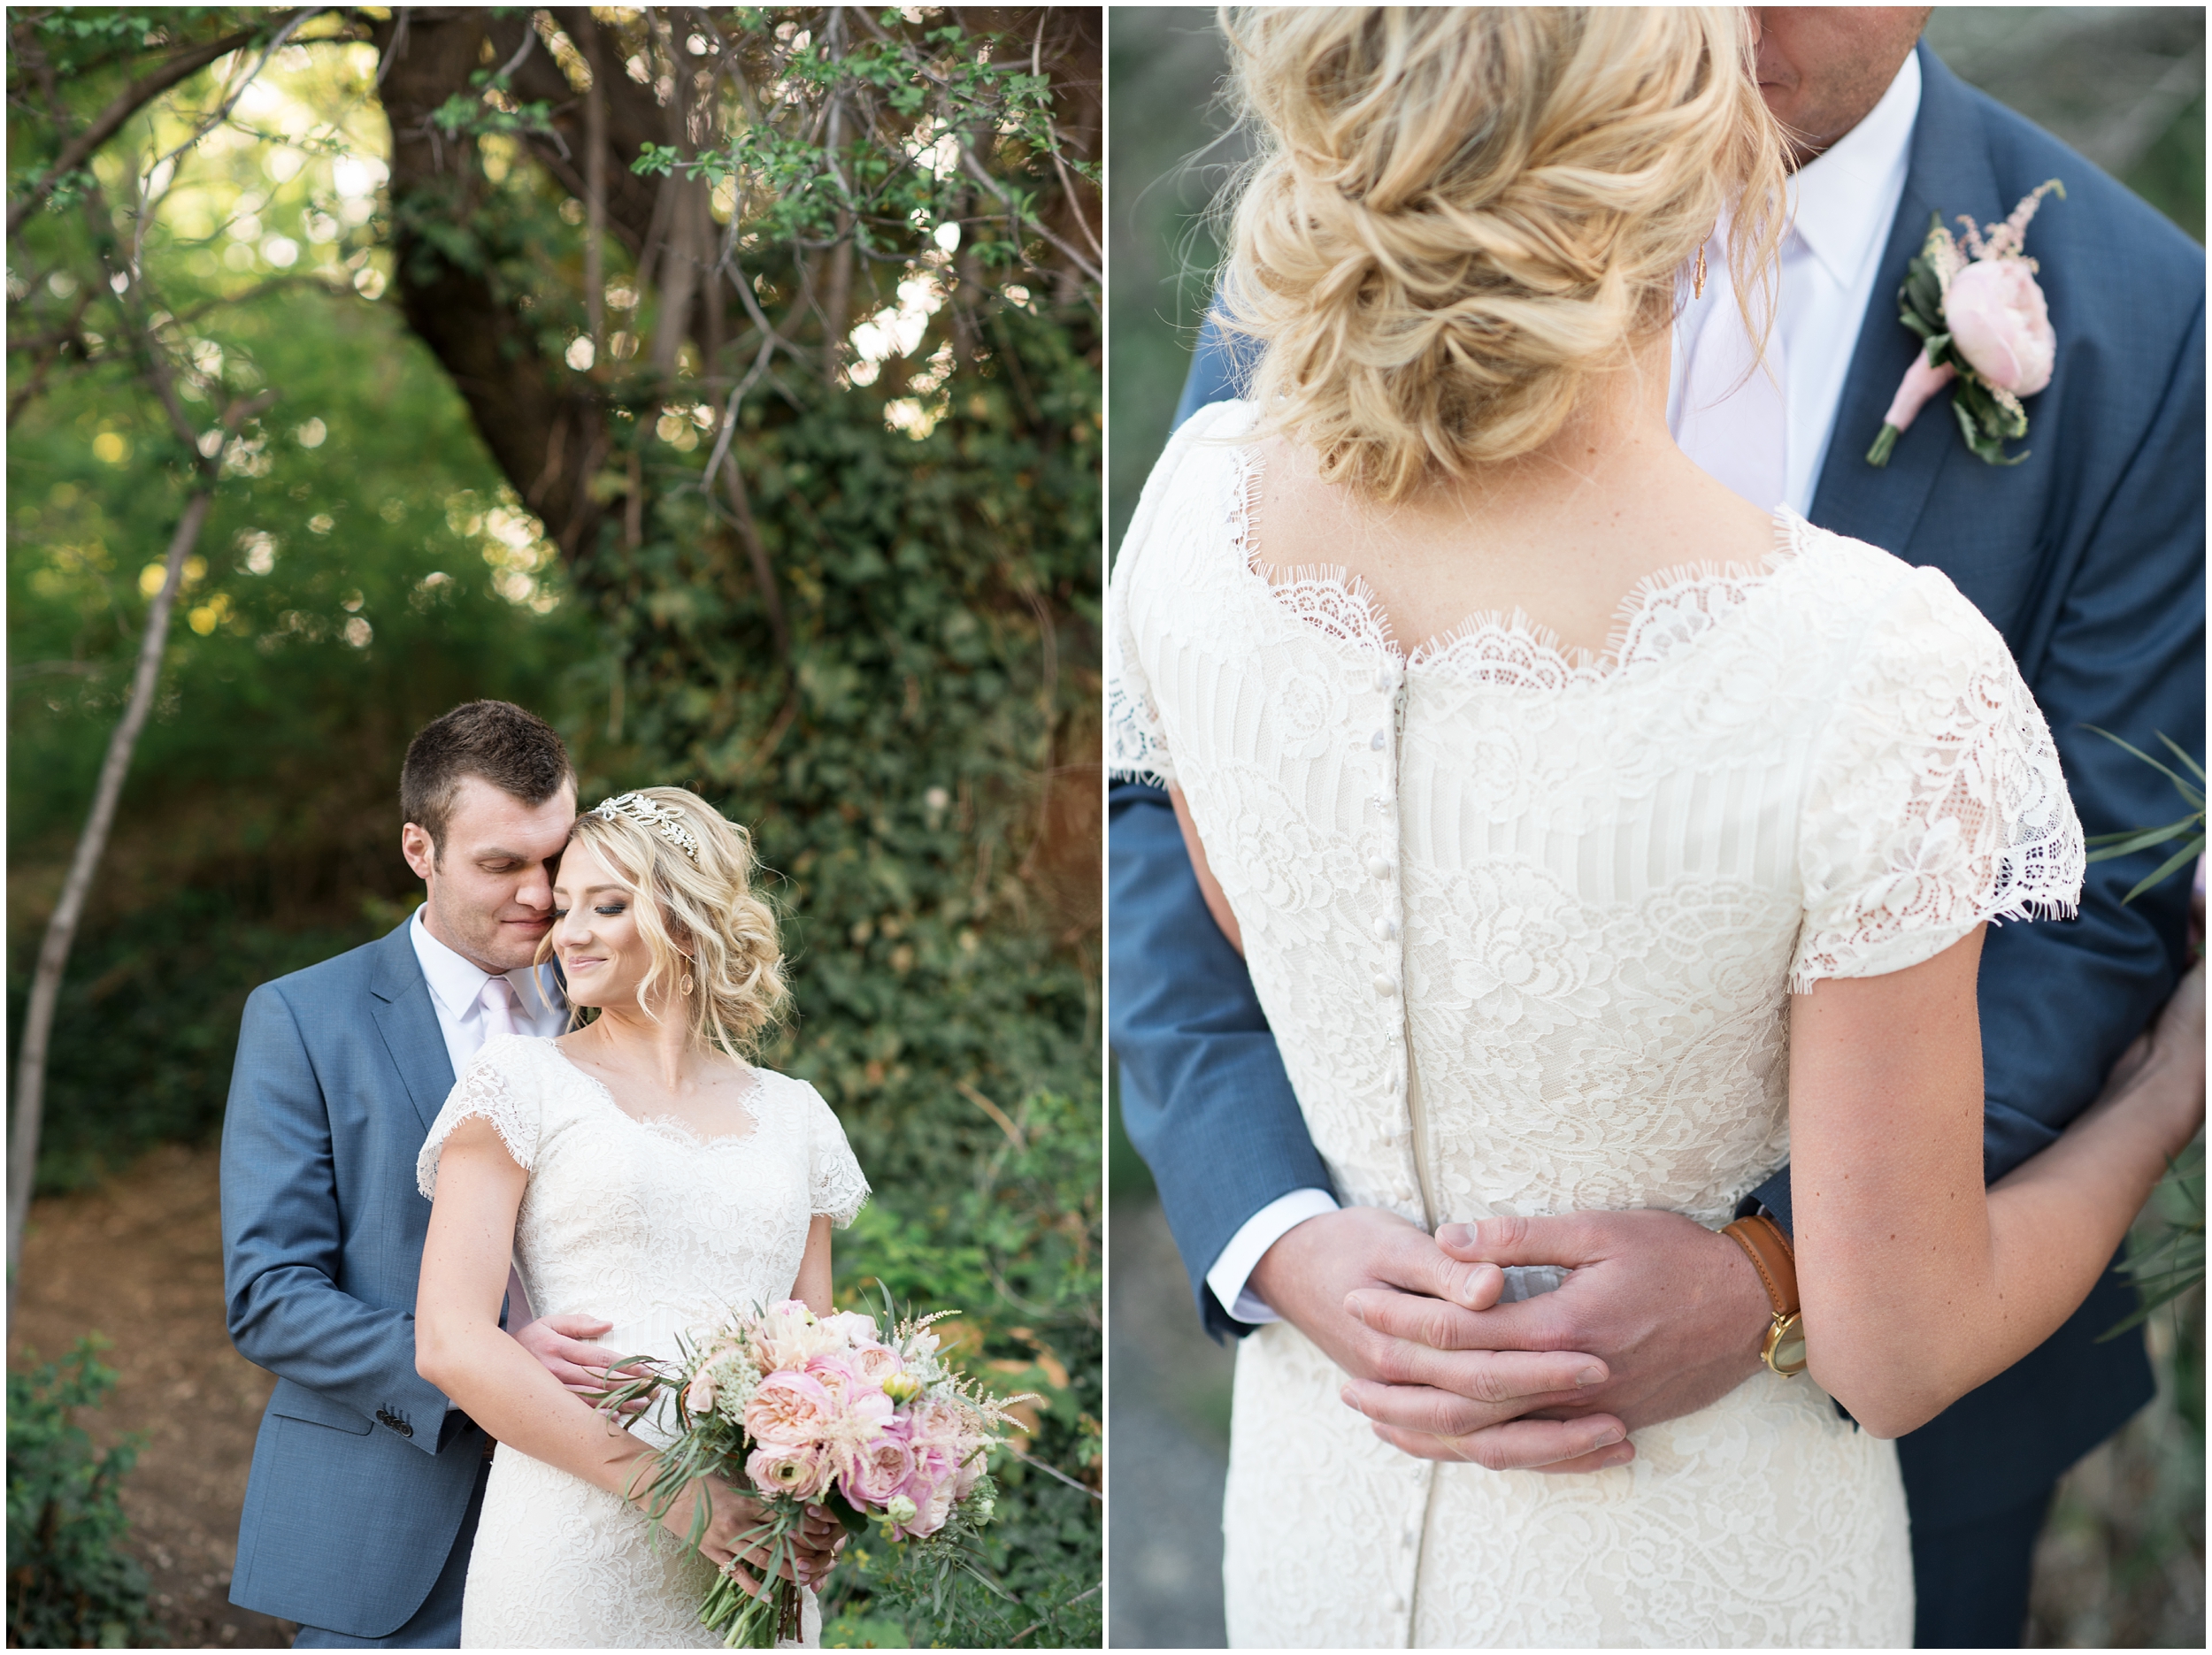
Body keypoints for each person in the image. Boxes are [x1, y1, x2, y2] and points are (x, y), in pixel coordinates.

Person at [1106, 8, 2205, 1647]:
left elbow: (2095, 898)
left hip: (1523, 1509)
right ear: (1689, 150)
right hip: (1395, 1420)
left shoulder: (1194, 494)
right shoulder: (1883, 660)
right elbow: (1175, 820)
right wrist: (1273, 1229)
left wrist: (1775, 1264)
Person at [224, 701, 675, 1645]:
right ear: (418, 848)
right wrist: (484, 1363)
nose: (542, 893)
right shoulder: (305, 1019)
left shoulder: (623, 1004)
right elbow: (269, 1295)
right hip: (390, 1512)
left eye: (554, 856)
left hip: (610, 1514)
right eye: (501, 864)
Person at [413, 786, 866, 1647]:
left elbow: (820, 1351)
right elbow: (449, 1338)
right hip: (571, 1548)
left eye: (608, 904)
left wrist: (832, 1489)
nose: (569, 931)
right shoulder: (519, 1083)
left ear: (688, 918)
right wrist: (685, 1496)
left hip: (750, 1557)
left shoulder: (797, 1114)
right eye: (565, 905)